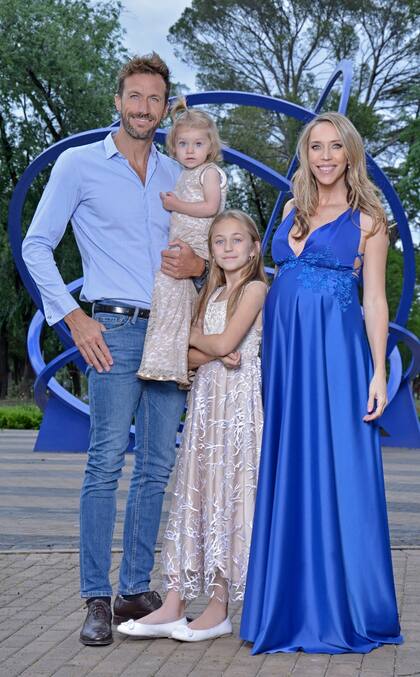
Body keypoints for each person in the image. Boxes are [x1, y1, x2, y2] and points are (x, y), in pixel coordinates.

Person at [22, 53, 207, 646]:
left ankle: (135, 587)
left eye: (155, 99)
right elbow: (35, 245)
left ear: (164, 106)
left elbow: (205, 254)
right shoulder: (79, 165)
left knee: (157, 465)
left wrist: (199, 265)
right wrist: (73, 317)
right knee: (105, 463)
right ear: (118, 100)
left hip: (171, 330)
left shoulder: (178, 175)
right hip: (112, 330)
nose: (144, 108)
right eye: (135, 96)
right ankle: (96, 598)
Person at [240, 112, 403, 654]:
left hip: (336, 358)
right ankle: (286, 605)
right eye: (316, 147)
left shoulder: (368, 221)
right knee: (291, 466)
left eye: (336, 147)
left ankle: (348, 607)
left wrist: (379, 371)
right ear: (305, 155)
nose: (326, 156)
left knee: (340, 468)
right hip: (285, 359)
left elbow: (374, 301)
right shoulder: (291, 210)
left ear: (351, 155)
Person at [117, 209, 267, 642]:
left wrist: (199, 339)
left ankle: (219, 606)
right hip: (205, 407)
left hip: (238, 408)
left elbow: (216, 342)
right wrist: (211, 349)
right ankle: (174, 602)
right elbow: (189, 357)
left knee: (230, 494)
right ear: (212, 252)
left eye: (237, 240)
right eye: (219, 241)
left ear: (254, 247)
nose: (228, 248)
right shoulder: (211, 294)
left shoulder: (256, 290)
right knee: (195, 492)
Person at [137, 97, 227, 386]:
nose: (190, 150)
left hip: (199, 245)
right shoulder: (184, 174)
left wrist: (176, 205)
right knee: (176, 301)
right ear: (173, 148)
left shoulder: (209, 172)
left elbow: (211, 207)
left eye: (198, 144)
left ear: (210, 147)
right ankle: (174, 363)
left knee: (171, 291)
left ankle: (168, 362)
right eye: (184, 144)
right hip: (184, 243)